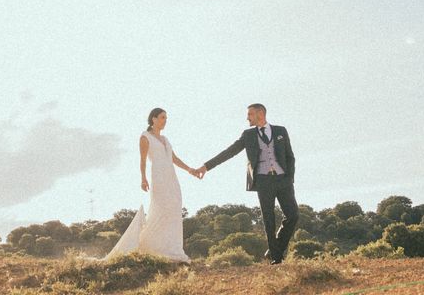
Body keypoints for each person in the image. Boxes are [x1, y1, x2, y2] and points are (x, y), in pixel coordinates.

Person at [196, 104, 299, 264]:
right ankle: (276, 259)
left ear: (260, 113)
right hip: (263, 181)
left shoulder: (281, 131)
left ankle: (275, 248)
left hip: (282, 179)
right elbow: (229, 152)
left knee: (293, 215)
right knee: (268, 219)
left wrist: (289, 177)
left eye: (250, 114)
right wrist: (206, 166)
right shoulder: (248, 134)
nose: (247, 118)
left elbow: (290, 156)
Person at [106, 108, 196, 262]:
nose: (165, 121)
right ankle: (150, 247)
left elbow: (174, 158)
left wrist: (189, 169)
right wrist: (143, 178)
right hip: (158, 177)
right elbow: (142, 160)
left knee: (174, 208)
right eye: (162, 118)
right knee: (160, 209)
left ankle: (172, 248)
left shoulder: (166, 139)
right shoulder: (145, 137)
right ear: (153, 119)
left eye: (166, 118)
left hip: (171, 178)